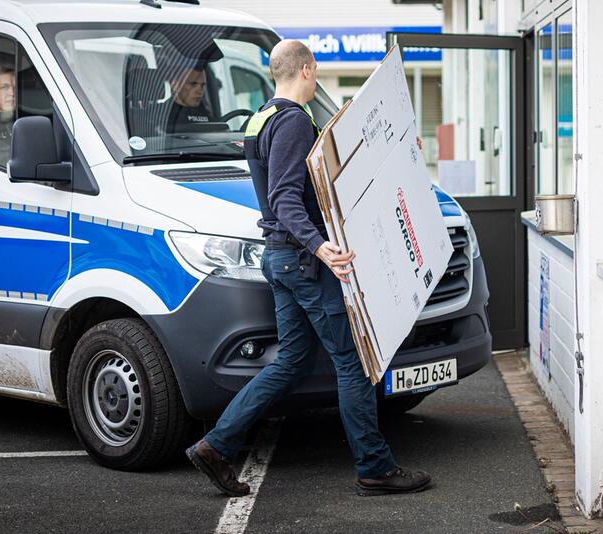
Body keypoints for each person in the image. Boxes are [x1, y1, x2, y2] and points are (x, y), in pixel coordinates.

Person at [185, 40, 432, 498]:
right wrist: (320, 248)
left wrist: (400, 154)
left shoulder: (262, 119)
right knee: (353, 363)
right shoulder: (295, 121)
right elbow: (285, 197)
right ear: (307, 69)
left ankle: (216, 447)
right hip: (300, 260)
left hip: (279, 259)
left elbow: (327, 176)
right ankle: (375, 468)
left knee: (293, 360)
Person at [165, 66, 215, 132]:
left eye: (202, 85)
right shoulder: (162, 114)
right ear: (175, 85)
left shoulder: (206, 114)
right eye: (193, 84)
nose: (199, 91)